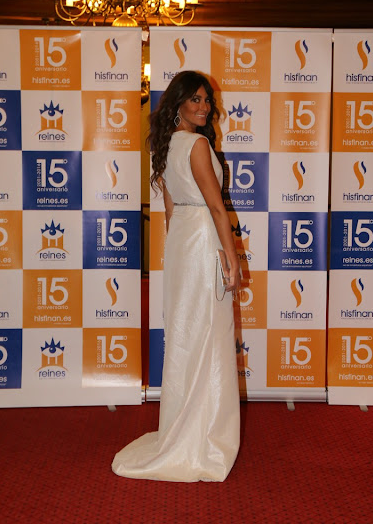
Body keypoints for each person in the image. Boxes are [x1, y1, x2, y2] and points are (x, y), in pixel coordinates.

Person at [112, 70, 241, 482]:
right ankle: (203, 437)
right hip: (203, 241)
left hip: (184, 244)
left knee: (188, 334)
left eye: (206, 100)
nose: (204, 107)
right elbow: (216, 207)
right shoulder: (198, 145)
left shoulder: (166, 145)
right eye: (195, 99)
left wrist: (179, 256)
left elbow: (169, 212)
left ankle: (184, 428)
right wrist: (231, 256)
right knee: (208, 336)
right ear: (179, 103)